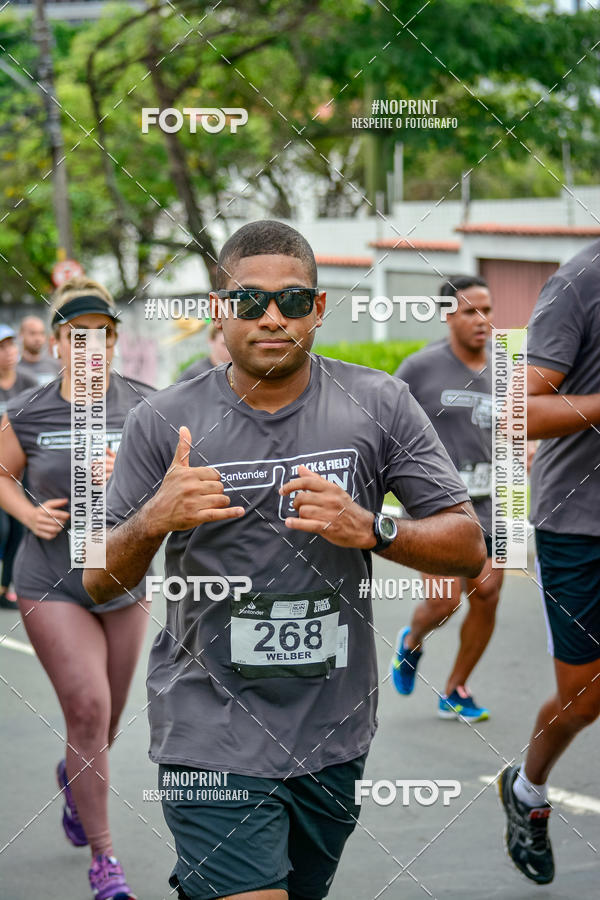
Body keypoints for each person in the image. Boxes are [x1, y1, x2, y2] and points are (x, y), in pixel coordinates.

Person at [84, 220, 486, 900]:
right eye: (249, 302)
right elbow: (99, 579)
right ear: (219, 309)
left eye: (294, 301)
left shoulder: (376, 402)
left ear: (319, 309)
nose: (272, 317)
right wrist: (158, 515)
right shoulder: (164, 421)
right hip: (205, 727)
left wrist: (374, 528)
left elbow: (468, 544)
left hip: (331, 730)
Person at [0, 278, 154, 900]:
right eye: (76, 335)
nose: (90, 345)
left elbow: (182, 479)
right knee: (86, 711)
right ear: (59, 343)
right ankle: (105, 860)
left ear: (114, 343)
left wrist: (133, 477)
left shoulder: (146, 406)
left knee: (107, 726)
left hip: (122, 579)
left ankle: (74, 775)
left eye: (102, 335)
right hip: (51, 581)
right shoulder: (31, 410)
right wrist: (25, 512)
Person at [499, 241, 600, 885]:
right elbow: (519, 410)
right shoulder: (578, 282)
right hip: (580, 525)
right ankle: (528, 790)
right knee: (586, 698)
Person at [390, 276, 504, 722]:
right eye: (470, 310)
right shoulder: (420, 368)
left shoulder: (505, 369)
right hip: (434, 505)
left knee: (488, 593)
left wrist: (527, 448)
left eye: (488, 310)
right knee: (444, 602)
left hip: (492, 503)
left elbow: (519, 426)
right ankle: (410, 642)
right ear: (447, 315)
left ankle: (456, 689)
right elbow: (381, 419)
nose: (483, 320)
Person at [0, 324, 37, 609]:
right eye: (2, 347)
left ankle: (5, 588)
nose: (8, 352)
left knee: (18, 529)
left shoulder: (28, 382)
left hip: (19, 472)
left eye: (11, 345)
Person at [17, 314, 61, 386]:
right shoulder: (13, 369)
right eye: (32, 333)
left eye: (41, 333)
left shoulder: (56, 366)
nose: (38, 338)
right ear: (21, 335)